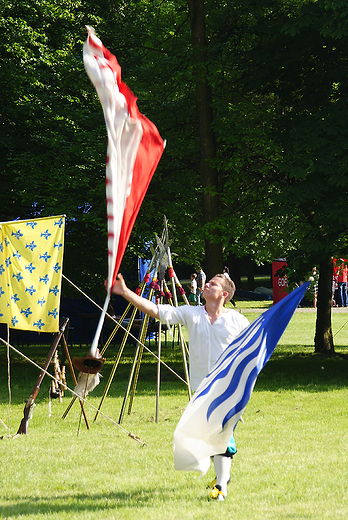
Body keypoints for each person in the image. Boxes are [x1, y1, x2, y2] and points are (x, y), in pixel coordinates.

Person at [110, 272, 249, 501]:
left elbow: (252, 351)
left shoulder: (238, 321)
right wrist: (125, 292)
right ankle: (222, 476)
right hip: (200, 390)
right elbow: (156, 310)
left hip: (227, 389)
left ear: (224, 294)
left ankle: (221, 486)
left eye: (212, 284)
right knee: (208, 435)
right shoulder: (191, 313)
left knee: (221, 433)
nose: (206, 284)